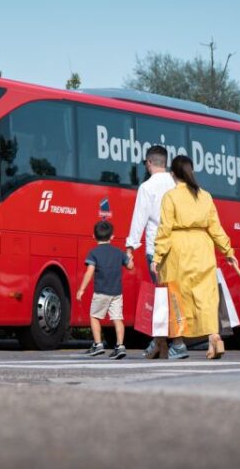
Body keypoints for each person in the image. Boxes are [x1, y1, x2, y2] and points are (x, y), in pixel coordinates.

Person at [153, 155, 239, 360]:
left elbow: (165, 230)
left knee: (177, 298)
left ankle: (178, 345)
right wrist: (228, 252)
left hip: (178, 251)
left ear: (173, 174)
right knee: (206, 298)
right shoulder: (205, 196)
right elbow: (215, 227)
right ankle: (214, 337)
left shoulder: (170, 197)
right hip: (203, 249)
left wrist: (157, 257)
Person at [125, 145, 180, 359]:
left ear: (149, 163)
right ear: (165, 162)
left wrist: (130, 247)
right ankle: (162, 344)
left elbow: (139, 219)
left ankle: (168, 343)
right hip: (176, 248)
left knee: (161, 298)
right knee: (172, 295)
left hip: (155, 248)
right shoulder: (176, 184)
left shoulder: (147, 187)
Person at [77, 220, 135, 359]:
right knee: (117, 318)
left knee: (95, 316)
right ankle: (120, 346)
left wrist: (82, 289)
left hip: (101, 292)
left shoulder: (93, 253)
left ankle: (98, 344)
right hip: (116, 293)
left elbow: (89, 271)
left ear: (94, 236)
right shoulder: (118, 253)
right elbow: (130, 266)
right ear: (112, 237)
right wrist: (129, 257)